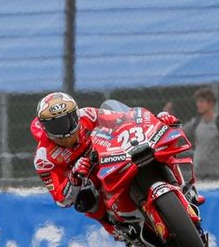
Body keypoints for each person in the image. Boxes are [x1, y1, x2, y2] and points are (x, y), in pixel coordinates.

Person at [30, 91, 180, 231]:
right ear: (44, 127)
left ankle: (182, 186)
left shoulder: (88, 115)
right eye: (56, 125)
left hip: (117, 156)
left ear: (76, 113)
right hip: (92, 179)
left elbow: (124, 118)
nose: (66, 129)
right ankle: (118, 230)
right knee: (86, 200)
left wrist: (156, 120)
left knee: (155, 148)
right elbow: (62, 200)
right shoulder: (44, 158)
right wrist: (74, 178)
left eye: (70, 119)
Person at [184, 87, 219, 179]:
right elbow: (177, 133)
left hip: (218, 173)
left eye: (202, 102)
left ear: (211, 104)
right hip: (198, 172)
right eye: (198, 102)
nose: (198, 105)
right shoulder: (196, 122)